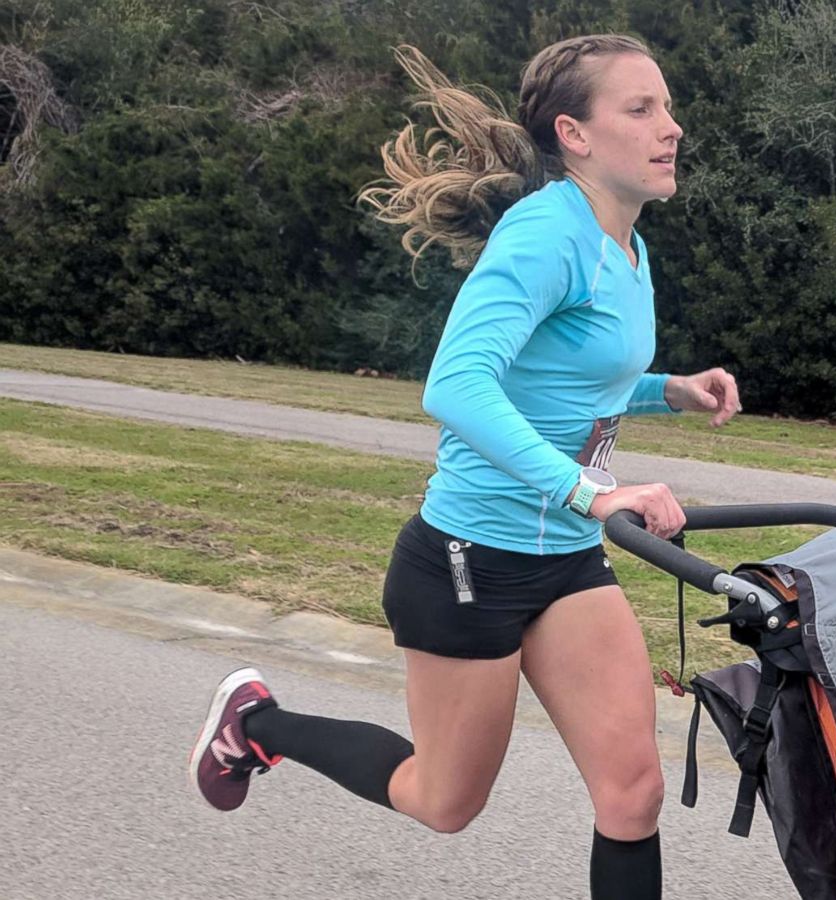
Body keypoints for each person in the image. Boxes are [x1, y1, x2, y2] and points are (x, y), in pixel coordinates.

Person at [185, 35, 741, 900]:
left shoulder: (626, 247)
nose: (672, 127)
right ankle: (257, 723)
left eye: (666, 107)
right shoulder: (545, 234)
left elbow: (570, 377)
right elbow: (457, 385)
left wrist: (669, 390)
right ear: (576, 134)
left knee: (633, 792)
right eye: (642, 109)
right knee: (443, 802)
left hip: (564, 560)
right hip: (470, 559)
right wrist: (590, 491)